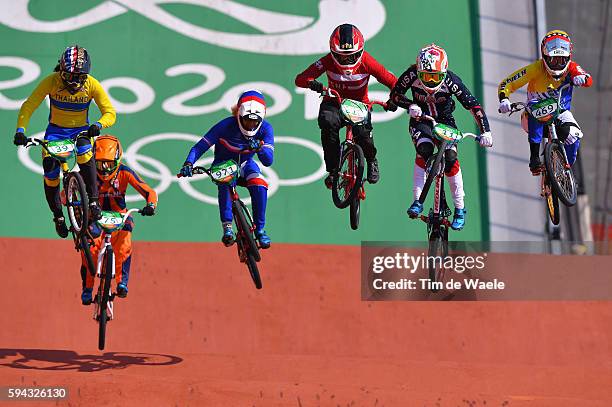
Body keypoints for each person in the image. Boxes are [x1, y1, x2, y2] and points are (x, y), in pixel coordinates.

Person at [13, 45, 116, 237]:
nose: (75, 83)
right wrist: (21, 130)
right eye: (70, 77)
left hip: (81, 131)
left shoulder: (92, 85)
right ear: (61, 71)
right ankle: (58, 216)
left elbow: (110, 112)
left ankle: (93, 201)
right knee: (51, 175)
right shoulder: (51, 81)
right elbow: (29, 106)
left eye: (80, 78)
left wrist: (99, 125)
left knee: (86, 156)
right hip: (56, 132)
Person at [390, 43, 492, 231]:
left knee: (452, 159)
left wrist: (486, 131)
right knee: (424, 149)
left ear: (444, 73)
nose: (429, 82)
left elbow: (473, 106)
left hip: (445, 121)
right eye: (425, 76)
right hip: (421, 119)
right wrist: (410, 105)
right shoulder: (411, 75)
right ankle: (417, 201)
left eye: (434, 77)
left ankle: (460, 208)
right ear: (418, 71)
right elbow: (395, 96)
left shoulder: (452, 81)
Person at [295, 23, 397, 187]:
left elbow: (393, 82)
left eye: (351, 56)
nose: (347, 60)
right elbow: (300, 79)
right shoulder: (327, 61)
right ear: (333, 52)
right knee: (327, 124)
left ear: (360, 52)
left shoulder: (367, 61)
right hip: (334, 102)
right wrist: (312, 84)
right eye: (342, 56)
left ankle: (371, 160)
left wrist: (394, 98)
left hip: (359, 105)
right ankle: (333, 170)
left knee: (363, 135)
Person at [180, 90, 274, 248]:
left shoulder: (266, 129)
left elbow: (268, 161)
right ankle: (227, 227)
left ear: (261, 119)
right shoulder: (224, 126)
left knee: (260, 184)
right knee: (225, 183)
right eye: (246, 121)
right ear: (238, 114)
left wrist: (260, 148)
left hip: (246, 163)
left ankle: (260, 230)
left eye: (254, 122)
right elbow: (200, 147)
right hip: (223, 163)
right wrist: (189, 163)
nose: (251, 125)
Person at [498, 30, 592, 174]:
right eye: (553, 60)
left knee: (574, 136)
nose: (557, 64)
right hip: (532, 114)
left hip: (561, 112)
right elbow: (508, 83)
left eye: (561, 60)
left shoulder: (572, 67)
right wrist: (504, 99)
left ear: (568, 57)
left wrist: (582, 78)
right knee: (537, 112)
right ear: (545, 57)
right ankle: (534, 159)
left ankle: (565, 171)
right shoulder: (536, 68)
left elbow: (587, 77)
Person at [80, 135, 157, 305]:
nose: (105, 169)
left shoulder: (124, 172)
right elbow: (70, 189)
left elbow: (149, 192)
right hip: (96, 218)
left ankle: (122, 283)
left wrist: (151, 205)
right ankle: (87, 287)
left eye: (108, 164)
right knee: (90, 251)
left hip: (120, 217)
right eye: (100, 164)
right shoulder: (88, 173)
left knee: (124, 246)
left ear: (118, 159)